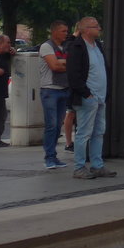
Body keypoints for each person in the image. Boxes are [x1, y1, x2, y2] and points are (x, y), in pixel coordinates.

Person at [66, 16, 116, 180]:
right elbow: (74, 75)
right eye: (96, 26)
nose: (99, 28)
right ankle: (79, 167)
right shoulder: (77, 47)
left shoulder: (97, 46)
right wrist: (86, 93)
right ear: (86, 29)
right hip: (88, 97)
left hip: (100, 97)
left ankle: (97, 165)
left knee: (98, 132)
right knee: (84, 133)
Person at [39, 20, 70, 169]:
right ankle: (49, 157)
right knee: (51, 125)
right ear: (55, 32)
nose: (66, 33)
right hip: (50, 89)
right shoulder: (47, 46)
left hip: (63, 88)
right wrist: (65, 63)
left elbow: (66, 64)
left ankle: (53, 156)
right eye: (63, 31)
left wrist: (63, 62)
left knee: (58, 126)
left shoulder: (63, 48)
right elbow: (55, 66)